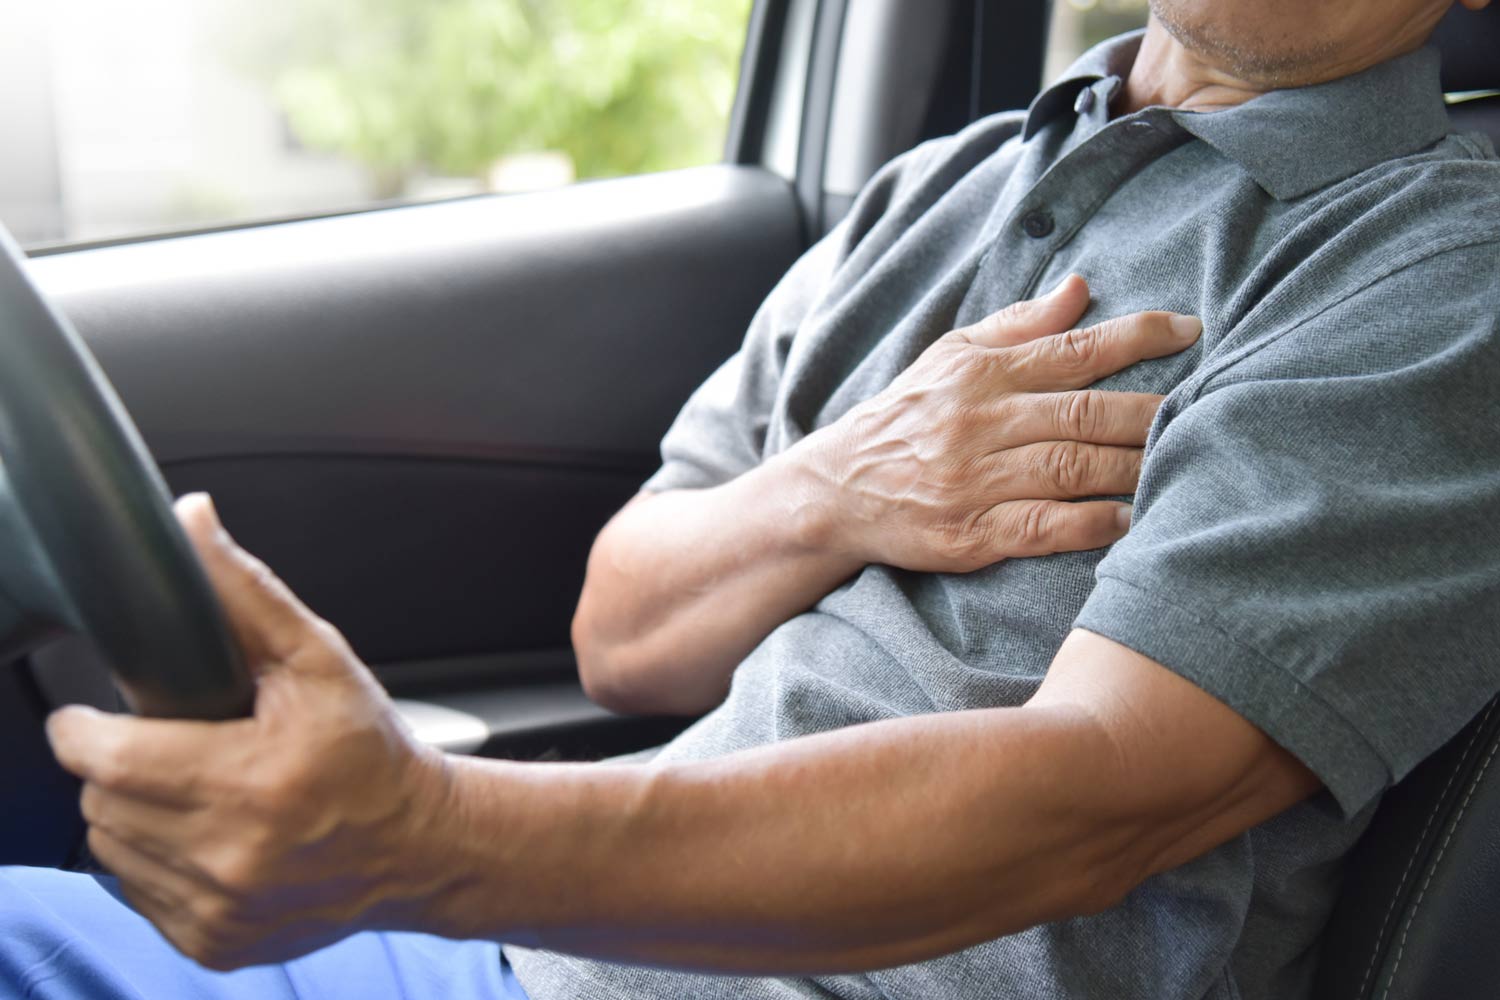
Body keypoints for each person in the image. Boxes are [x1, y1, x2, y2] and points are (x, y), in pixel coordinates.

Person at [5, 0, 1500, 998]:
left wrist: (425, 834)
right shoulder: (942, 188)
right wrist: (838, 489)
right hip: (537, 957)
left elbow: (1096, 800)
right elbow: (624, 630)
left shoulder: (1435, 273)